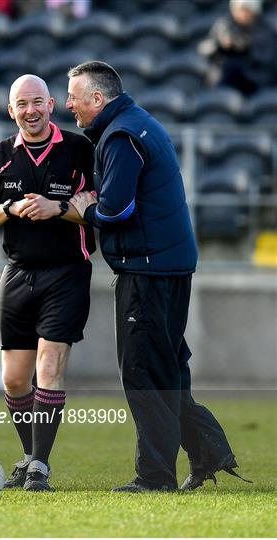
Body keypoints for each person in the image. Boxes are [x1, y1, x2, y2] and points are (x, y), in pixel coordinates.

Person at [68, 61, 250, 492]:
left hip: (147, 269)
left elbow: (117, 210)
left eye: (74, 96)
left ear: (98, 98)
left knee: (143, 372)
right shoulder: (138, 122)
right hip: (169, 265)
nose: (69, 104)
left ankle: (154, 476)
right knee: (167, 369)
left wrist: (81, 209)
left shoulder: (120, 136)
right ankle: (208, 453)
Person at [0, 74, 96, 492]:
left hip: (67, 271)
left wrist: (55, 208)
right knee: (14, 380)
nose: (31, 111)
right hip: (17, 273)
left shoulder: (79, 150)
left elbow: (96, 207)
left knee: (49, 366)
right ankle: (28, 456)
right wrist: (9, 207)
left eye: (37, 102)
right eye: (22, 104)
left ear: (52, 104)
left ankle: (40, 465)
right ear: (11, 111)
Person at [198, 0, 277, 95]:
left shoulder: (265, 29)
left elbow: (268, 57)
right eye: (240, 10)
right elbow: (205, 49)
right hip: (225, 78)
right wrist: (220, 45)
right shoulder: (223, 26)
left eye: (247, 10)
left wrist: (247, 47)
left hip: (256, 81)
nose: (243, 14)